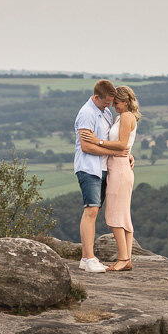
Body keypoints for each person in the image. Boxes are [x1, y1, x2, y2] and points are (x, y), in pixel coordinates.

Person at [73, 79, 127, 273]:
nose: (109, 105)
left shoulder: (104, 112)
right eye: (105, 102)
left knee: (94, 211)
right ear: (96, 97)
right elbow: (87, 146)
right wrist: (114, 153)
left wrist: (125, 154)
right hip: (89, 168)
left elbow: (109, 141)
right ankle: (88, 258)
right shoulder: (87, 113)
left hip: (102, 168)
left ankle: (85, 258)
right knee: (91, 210)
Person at [98, 85, 140, 271]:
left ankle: (123, 258)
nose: (113, 104)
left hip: (119, 170)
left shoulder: (126, 116)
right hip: (119, 166)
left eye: (116, 101)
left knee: (114, 215)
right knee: (123, 215)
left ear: (125, 101)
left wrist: (97, 142)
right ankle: (127, 259)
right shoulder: (120, 117)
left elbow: (122, 144)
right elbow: (124, 146)